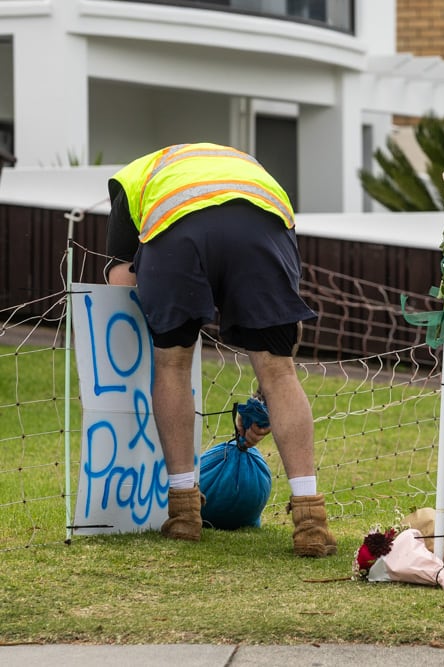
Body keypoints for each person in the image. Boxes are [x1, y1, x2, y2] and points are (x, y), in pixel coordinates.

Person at [104, 142, 337, 557]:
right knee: (280, 372)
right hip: (262, 223)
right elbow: (288, 316)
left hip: (176, 230)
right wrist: (264, 398)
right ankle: (311, 523)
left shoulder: (133, 178)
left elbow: (123, 282)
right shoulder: (249, 169)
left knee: (172, 365)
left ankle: (184, 514)